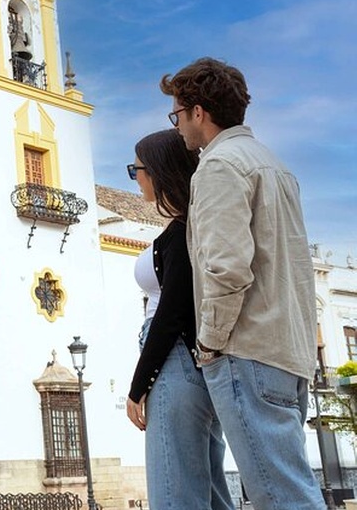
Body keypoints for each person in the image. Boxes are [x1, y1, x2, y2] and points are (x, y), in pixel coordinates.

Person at [161, 57, 325, 509]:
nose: (176, 127)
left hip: (246, 350)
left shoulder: (219, 166)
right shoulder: (274, 166)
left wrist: (210, 344)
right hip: (287, 352)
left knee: (280, 497)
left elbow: (227, 268)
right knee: (291, 487)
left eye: (176, 114)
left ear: (198, 112)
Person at [124, 129, 233, 510]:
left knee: (174, 491)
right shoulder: (190, 226)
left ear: (156, 171)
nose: (135, 178)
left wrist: (140, 384)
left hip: (173, 363)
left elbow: (172, 311)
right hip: (193, 363)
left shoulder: (182, 230)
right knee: (211, 490)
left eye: (136, 169)